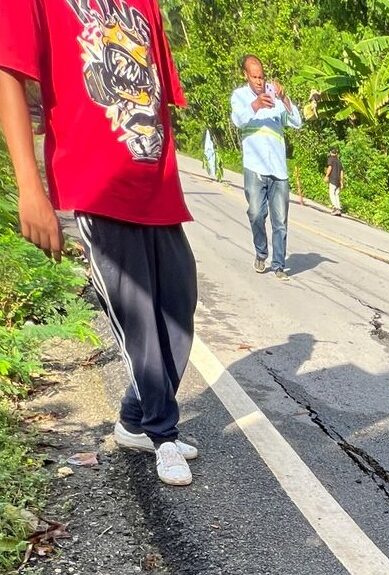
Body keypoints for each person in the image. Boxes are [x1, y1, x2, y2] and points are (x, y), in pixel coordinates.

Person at [0, 0, 200, 485]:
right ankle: (162, 434)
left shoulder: (143, 4)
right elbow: (9, 74)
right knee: (141, 325)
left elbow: (157, 91)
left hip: (158, 186)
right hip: (96, 185)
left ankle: (135, 419)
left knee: (179, 306)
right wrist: (31, 189)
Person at [230, 55, 302, 279]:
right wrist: (256, 104)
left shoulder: (275, 94)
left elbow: (297, 122)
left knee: (280, 221)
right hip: (254, 166)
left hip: (278, 169)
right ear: (246, 75)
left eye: (261, 76)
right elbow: (238, 120)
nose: (260, 81)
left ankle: (279, 265)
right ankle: (261, 253)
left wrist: (285, 98)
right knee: (256, 214)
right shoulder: (240, 96)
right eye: (254, 77)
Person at [324, 148, 344, 216]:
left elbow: (330, 167)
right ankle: (339, 208)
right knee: (336, 194)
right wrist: (341, 181)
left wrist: (326, 176)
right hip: (338, 180)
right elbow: (341, 172)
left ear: (330, 152)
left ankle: (335, 208)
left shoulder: (331, 159)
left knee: (332, 193)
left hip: (333, 179)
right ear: (336, 153)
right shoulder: (339, 161)